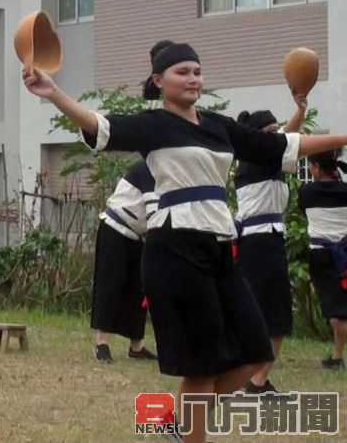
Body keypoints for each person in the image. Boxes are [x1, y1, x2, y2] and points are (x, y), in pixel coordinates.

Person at [22, 40, 347, 443]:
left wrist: (343, 137)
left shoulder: (217, 125)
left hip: (219, 248)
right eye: (182, 72)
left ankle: (178, 427)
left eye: (197, 71)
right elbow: (98, 125)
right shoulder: (154, 125)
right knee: (202, 367)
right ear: (159, 81)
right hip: (174, 249)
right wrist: (54, 93)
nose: (193, 79)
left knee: (256, 351)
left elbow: (281, 146)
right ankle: (187, 434)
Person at [234, 100, 306, 393]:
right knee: (274, 314)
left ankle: (252, 377)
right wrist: (299, 113)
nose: (278, 137)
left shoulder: (257, 160)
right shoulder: (260, 159)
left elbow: (288, 138)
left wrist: (300, 111)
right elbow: (291, 140)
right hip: (262, 241)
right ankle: (257, 380)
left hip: (260, 240)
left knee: (263, 311)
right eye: (272, 132)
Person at [91, 161, 158, 364]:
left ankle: (136, 346)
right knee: (110, 285)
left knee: (139, 289)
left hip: (139, 237)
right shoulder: (147, 168)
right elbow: (155, 212)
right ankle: (101, 343)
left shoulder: (170, 176)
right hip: (115, 229)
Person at [298, 149, 347, 372]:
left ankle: (337, 357)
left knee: (335, 310)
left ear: (317, 167)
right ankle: (337, 356)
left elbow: (304, 213)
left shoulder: (307, 192)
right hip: (344, 252)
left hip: (322, 254)